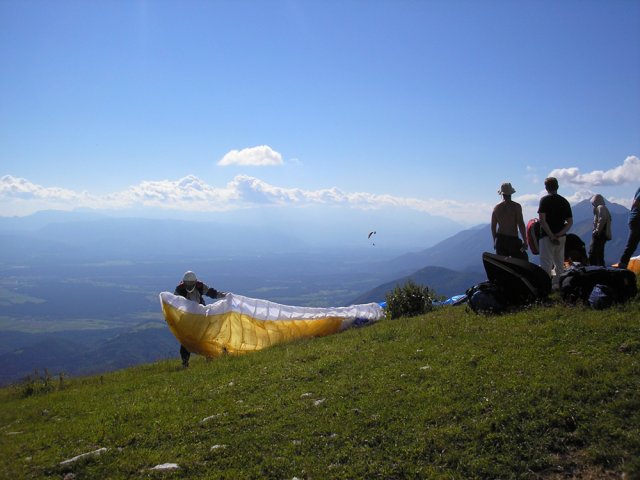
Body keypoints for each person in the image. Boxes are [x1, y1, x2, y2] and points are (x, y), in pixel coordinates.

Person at [173, 271, 226, 367]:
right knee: (186, 340)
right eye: (187, 284)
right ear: (184, 282)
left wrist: (223, 295)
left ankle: (210, 357)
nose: (189, 286)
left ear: (195, 282)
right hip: (188, 317)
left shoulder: (200, 286)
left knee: (206, 335)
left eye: (191, 284)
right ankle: (185, 363)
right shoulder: (179, 290)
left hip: (201, 314)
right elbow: (173, 303)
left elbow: (211, 293)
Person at [537, 177, 573, 285]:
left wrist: (551, 235)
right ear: (557, 186)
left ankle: (546, 285)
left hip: (546, 237)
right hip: (561, 237)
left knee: (546, 262)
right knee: (559, 262)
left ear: (546, 188)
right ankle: (559, 285)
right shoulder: (564, 201)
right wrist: (559, 234)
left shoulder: (544, 200)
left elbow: (542, 221)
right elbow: (570, 222)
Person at [491, 182, 528, 260]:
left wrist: (495, 240)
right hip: (513, 239)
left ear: (501, 194)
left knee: (503, 264)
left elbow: (493, 226)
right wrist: (525, 240)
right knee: (522, 260)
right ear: (511, 193)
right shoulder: (516, 207)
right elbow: (521, 224)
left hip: (500, 240)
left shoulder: (496, 208)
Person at [615, 186, 640, 269]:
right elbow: (637, 202)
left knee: (631, 245)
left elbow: (635, 203)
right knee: (632, 245)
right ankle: (622, 264)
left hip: (634, 219)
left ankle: (622, 264)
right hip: (637, 219)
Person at [587, 194, 611, 266]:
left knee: (593, 253)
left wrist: (597, 230)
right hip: (602, 234)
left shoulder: (600, 207)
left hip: (599, 234)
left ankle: (593, 268)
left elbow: (602, 219)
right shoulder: (603, 207)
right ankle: (601, 268)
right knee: (600, 254)